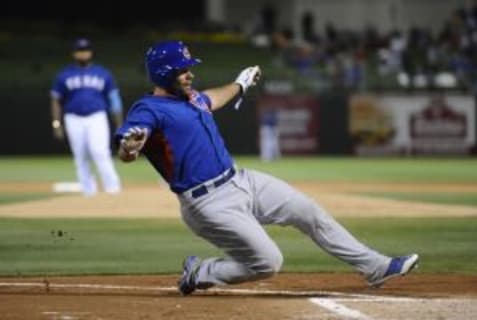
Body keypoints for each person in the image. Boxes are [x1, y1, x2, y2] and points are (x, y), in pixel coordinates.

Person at [116, 40, 419, 295]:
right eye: (183, 70)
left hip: (243, 180)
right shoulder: (148, 109)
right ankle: (201, 271)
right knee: (268, 263)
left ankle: (375, 267)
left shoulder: (192, 98)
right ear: (164, 73)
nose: (190, 74)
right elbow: (128, 148)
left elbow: (213, 98)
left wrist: (240, 83)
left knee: (308, 211)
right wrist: (130, 147)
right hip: (207, 203)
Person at [50, 38, 122, 196]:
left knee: (100, 152)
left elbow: (114, 99)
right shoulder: (64, 75)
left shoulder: (103, 73)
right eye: (79, 50)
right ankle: (88, 192)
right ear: (74, 53)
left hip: (97, 116)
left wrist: (119, 123)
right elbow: (56, 100)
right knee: (80, 155)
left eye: (85, 50)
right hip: (72, 118)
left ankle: (113, 189)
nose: (83, 53)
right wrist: (56, 123)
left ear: (91, 52)